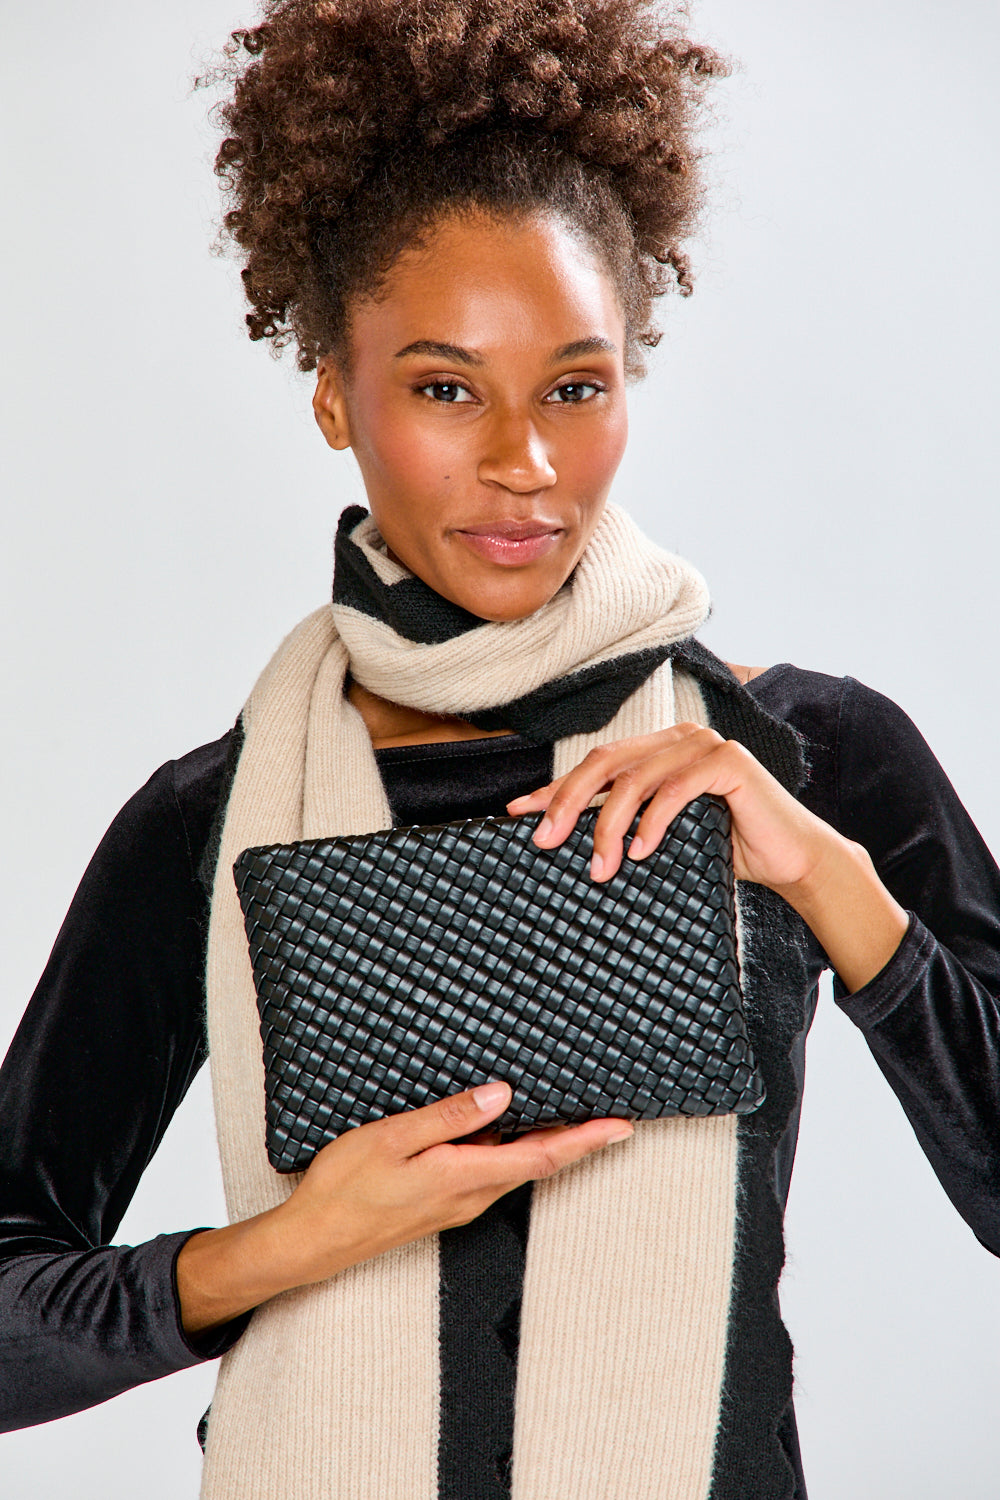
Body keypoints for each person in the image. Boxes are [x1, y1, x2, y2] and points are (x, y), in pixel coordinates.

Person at [2, 1, 999, 1496]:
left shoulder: (803, 751)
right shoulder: (215, 824)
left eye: (575, 389)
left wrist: (829, 879)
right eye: (446, 387)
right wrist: (285, 1248)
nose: (525, 465)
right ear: (336, 393)